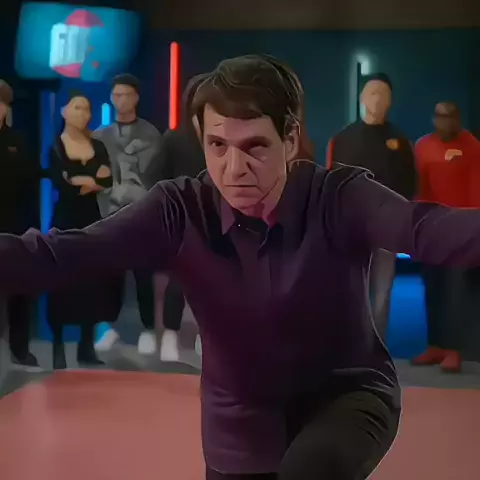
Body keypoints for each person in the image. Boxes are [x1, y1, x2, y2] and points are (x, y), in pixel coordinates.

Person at [3, 54, 480, 479]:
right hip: (239, 417)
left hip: (343, 396)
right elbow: (64, 254)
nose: (234, 169)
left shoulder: (338, 197)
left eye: (255, 147)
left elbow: (427, 228)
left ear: (290, 139)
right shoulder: (180, 210)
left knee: (311, 469)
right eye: (217, 145)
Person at [327, 73, 417, 342]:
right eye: (372, 93)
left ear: (391, 101)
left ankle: (375, 344)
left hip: (388, 225)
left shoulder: (400, 141)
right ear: (362, 98)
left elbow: (409, 182)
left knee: (383, 287)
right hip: (352, 225)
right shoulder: (343, 139)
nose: (377, 99)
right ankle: (350, 343)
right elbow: (332, 182)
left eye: (383, 94)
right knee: (352, 285)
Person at [47, 92, 122, 370]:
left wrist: (84, 180)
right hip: (65, 220)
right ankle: (57, 346)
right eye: (77, 107)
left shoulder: (98, 145)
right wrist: (91, 179)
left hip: (92, 220)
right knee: (61, 280)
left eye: (87, 109)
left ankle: (86, 347)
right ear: (65, 112)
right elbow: (63, 184)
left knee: (91, 280)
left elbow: (107, 179)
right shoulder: (56, 146)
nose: (83, 114)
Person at [94, 74, 161, 355]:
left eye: (126, 95)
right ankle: (110, 328)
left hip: (141, 214)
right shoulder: (100, 136)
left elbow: (155, 175)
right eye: (116, 95)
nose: (121, 100)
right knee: (111, 275)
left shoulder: (150, 134)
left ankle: (148, 329)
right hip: (109, 215)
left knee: (143, 273)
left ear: (136, 98)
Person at [412, 102, 480, 373]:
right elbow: (420, 189)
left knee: (457, 293)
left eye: (451, 116)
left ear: (458, 119)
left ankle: (454, 350)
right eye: (441, 116)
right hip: (432, 231)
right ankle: (436, 346)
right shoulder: (423, 146)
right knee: (433, 290)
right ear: (434, 119)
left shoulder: (473, 147)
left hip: (462, 232)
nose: (446, 121)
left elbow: (476, 192)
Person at [145, 73, 208, 361]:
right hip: (183, 219)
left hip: (217, 219)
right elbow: (153, 177)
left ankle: (206, 338)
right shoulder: (174, 138)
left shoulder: (223, 138)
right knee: (179, 279)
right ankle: (170, 335)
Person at [0, 79, 41, 370]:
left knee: (19, 292)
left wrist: (33, 228)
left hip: (15, 227)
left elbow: (31, 187)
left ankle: (20, 348)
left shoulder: (20, 142)